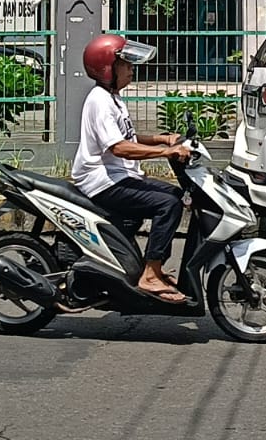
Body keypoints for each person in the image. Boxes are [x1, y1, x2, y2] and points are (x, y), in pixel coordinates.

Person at [71, 33, 191, 303]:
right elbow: (119, 148)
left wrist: (162, 138)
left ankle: (154, 268)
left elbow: (128, 138)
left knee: (174, 196)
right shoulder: (99, 101)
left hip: (117, 176)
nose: (131, 69)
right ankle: (150, 275)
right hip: (102, 182)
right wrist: (165, 151)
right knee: (167, 205)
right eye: (125, 64)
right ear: (107, 69)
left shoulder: (112, 97)